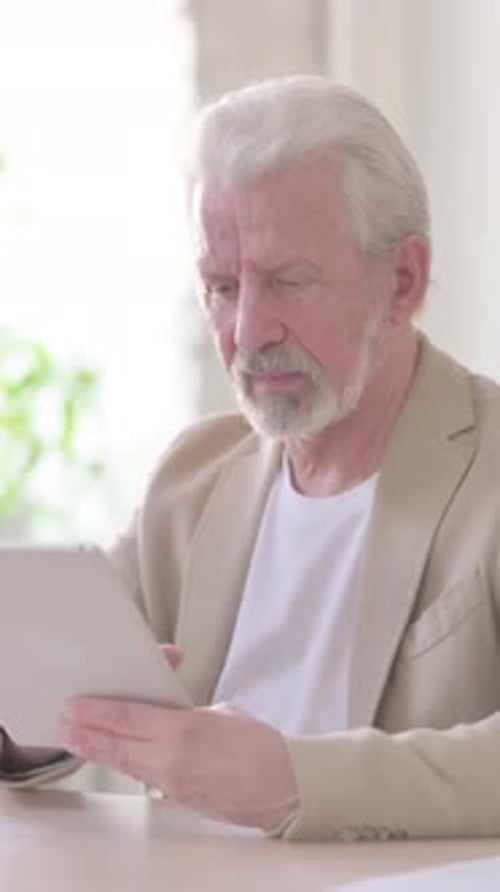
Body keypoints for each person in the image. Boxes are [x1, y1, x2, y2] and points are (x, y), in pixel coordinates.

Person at [2, 74, 500, 842]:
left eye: (288, 281)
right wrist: (32, 722)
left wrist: (296, 780)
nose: (248, 330)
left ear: (402, 282)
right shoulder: (190, 478)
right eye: (222, 286)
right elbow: (63, 688)